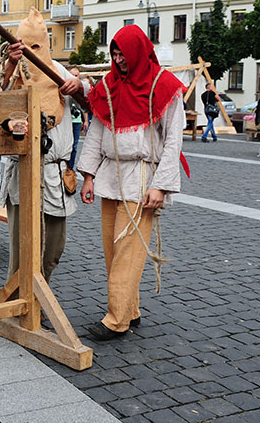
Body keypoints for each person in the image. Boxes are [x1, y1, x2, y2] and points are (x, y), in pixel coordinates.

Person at [77, 24, 185, 341]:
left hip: (142, 178)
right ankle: (131, 308)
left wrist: (161, 185)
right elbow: (96, 133)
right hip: (111, 175)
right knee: (114, 249)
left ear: (137, 52)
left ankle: (116, 319)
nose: (118, 59)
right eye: (114, 54)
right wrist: (88, 175)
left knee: (128, 250)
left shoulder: (164, 86)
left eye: (123, 54)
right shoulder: (109, 86)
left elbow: (173, 142)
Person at [0, 8, 87, 286]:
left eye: (36, 46)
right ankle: (20, 306)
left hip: (55, 177)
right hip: (22, 175)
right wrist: (7, 69)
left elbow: (91, 99)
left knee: (53, 250)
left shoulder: (61, 73)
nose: (30, 52)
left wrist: (81, 86)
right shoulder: (10, 74)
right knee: (22, 253)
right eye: (24, 45)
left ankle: (37, 296)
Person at [68, 67, 88, 169]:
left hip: (76, 121)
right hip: (68, 121)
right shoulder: (66, 85)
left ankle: (70, 168)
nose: (74, 77)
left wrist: (85, 121)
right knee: (67, 145)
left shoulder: (80, 89)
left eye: (76, 75)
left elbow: (85, 107)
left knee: (75, 146)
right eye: (72, 75)